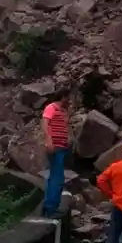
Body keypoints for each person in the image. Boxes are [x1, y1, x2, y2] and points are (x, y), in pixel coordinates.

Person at [41, 86, 71, 217]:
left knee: (55, 176)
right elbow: (45, 123)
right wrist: (49, 141)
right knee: (57, 178)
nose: (69, 100)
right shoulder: (51, 107)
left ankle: (50, 205)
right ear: (63, 97)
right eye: (68, 97)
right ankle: (50, 208)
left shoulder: (62, 111)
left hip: (61, 147)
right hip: (55, 147)